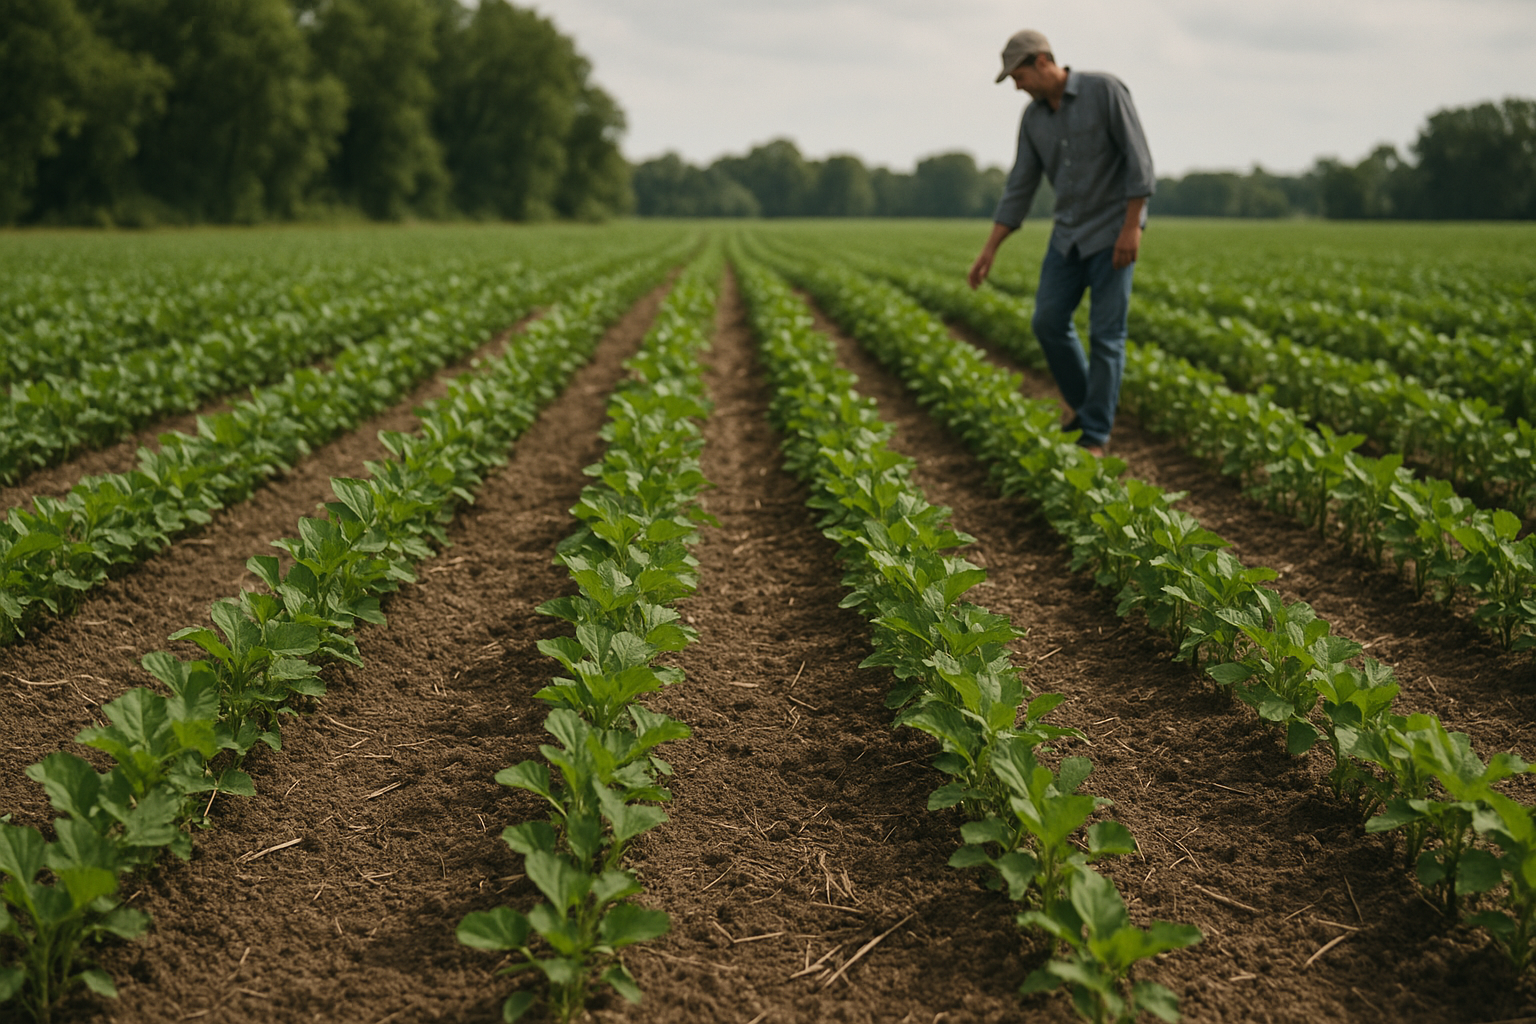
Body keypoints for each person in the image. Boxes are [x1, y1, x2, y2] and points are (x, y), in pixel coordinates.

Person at [968, 29, 1154, 457]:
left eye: (1017, 77)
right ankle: (1089, 408)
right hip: (1067, 236)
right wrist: (989, 249)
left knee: (1107, 336)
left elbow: (1138, 160)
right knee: (1047, 321)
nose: (1016, 87)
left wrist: (1132, 227)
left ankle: (1094, 434)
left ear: (1041, 62)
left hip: (1113, 233)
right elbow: (1020, 185)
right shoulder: (1034, 119)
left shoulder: (1103, 90)